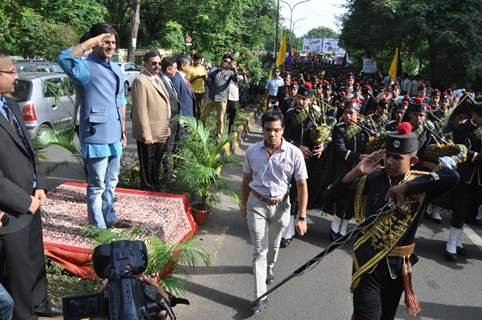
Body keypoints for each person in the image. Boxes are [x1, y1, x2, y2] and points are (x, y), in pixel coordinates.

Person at [325, 124, 459, 320]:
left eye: (397, 157)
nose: (389, 161)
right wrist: (357, 171)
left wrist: (406, 187)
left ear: (412, 160)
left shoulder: (421, 185)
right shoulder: (373, 178)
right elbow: (331, 195)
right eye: (388, 155)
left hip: (396, 268)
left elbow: (453, 176)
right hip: (368, 263)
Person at [0, 51, 61, 319]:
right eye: (11, 71)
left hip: (32, 200)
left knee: (36, 261)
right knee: (18, 274)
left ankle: (41, 304)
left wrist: (40, 184)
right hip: (11, 210)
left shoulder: (10, 104)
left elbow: (30, 148)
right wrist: (23, 201)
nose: (17, 76)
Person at [58, 23, 128, 229]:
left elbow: (121, 100)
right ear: (96, 42)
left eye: (113, 42)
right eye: (106, 41)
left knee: (112, 181)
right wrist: (89, 42)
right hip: (96, 134)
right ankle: (98, 227)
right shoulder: (84, 67)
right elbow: (63, 58)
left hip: (115, 133)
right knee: (97, 185)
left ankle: (110, 216)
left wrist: (123, 130)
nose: (111, 46)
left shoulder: (116, 68)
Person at [241, 110, 308, 314]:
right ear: (262, 130)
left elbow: (302, 186)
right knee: (259, 249)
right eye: (268, 130)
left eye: (276, 130)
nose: (272, 134)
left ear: (283, 130)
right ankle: (260, 296)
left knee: (274, 243)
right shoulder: (252, 152)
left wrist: (302, 217)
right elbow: (245, 181)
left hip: (282, 206)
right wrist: (243, 205)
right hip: (257, 204)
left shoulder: (294, 153)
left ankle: (270, 267)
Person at [445, 102, 482, 260]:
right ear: (476, 116)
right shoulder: (463, 127)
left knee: (470, 210)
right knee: (460, 207)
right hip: (465, 174)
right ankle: (451, 244)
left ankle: (459, 241)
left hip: (479, 177)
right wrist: (475, 156)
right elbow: (464, 150)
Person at [131, 51, 171, 191]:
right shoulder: (140, 80)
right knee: (147, 165)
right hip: (149, 133)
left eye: (159, 63)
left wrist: (167, 126)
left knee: (156, 163)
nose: (157, 66)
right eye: (154, 63)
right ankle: (147, 191)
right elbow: (140, 110)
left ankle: (155, 188)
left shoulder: (157, 78)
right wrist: (146, 134)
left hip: (161, 130)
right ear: (145, 63)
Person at [202, 53, 238, 136]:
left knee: (221, 120)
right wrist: (210, 86)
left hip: (222, 99)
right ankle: (201, 133)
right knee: (203, 116)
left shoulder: (230, 73)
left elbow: (236, 81)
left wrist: (235, 70)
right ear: (222, 60)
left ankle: (218, 136)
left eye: (229, 62)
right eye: (225, 61)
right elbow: (207, 77)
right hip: (211, 98)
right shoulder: (214, 69)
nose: (226, 63)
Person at [226, 60, 248, 134]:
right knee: (223, 115)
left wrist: (244, 74)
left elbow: (246, 83)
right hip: (224, 96)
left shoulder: (238, 75)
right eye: (231, 63)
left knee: (233, 115)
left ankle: (230, 131)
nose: (232, 65)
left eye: (234, 64)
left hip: (234, 97)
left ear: (236, 66)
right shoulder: (226, 72)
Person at [187, 53, 208, 119]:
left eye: (200, 60)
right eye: (197, 60)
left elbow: (206, 79)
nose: (198, 62)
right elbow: (187, 82)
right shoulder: (190, 69)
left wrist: (204, 77)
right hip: (193, 91)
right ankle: (192, 120)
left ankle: (198, 120)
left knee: (199, 107)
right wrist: (196, 78)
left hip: (201, 91)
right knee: (193, 107)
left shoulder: (203, 68)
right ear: (194, 60)